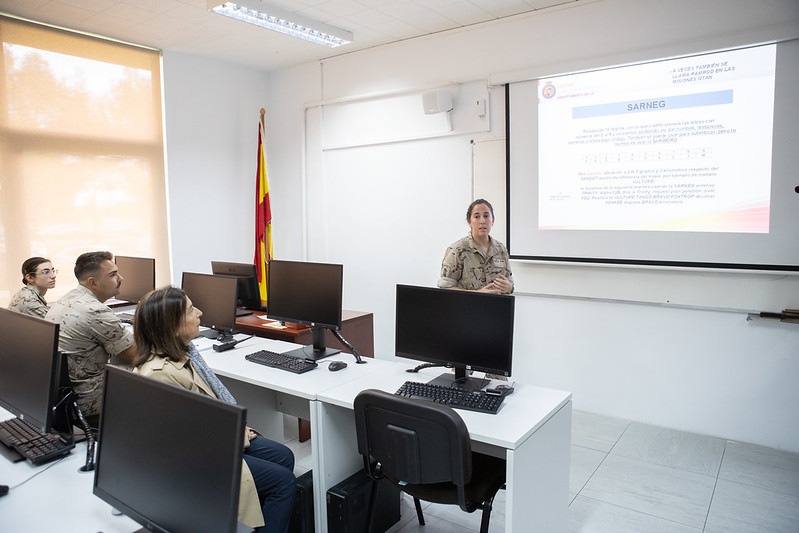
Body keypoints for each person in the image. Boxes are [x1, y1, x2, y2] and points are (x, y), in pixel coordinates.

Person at [132, 286, 296, 533]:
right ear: (172, 327)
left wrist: (239, 428)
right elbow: (189, 441)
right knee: (283, 483)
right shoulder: (161, 374)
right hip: (198, 462)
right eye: (190, 310)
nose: (199, 312)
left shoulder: (182, 354)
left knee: (284, 456)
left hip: (214, 440)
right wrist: (236, 434)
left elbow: (205, 414)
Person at [45, 251, 136, 428]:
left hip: (65, 396)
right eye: (113, 274)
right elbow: (137, 355)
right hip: (89, 402)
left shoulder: (66, 299)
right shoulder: (96, 311)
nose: (121, 278)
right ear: (92, 282)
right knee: (156, 374)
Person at [437, 198, 514, 294]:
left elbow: (509, 281)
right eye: (477, 217)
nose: (482, 221)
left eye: (486, 216)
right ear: (469, 222)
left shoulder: (501, 249)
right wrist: (477, 295)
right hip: (467, 307)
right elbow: (445, 287)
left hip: (496, 307)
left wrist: (510, 288)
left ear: (492, 220)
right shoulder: (457, 250)